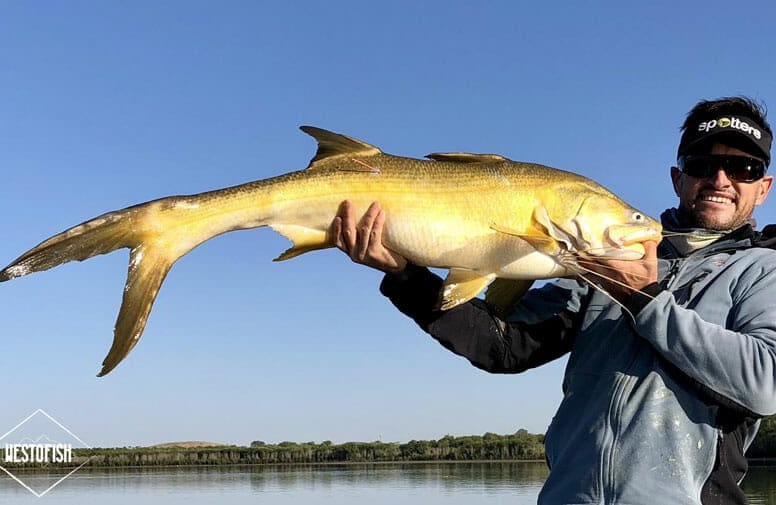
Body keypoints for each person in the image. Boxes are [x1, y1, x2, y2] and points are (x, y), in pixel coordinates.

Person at [331, 96, 776, 505]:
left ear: (764, 187)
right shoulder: (591, 262)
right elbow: (503, 346)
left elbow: (763, 383)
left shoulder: (764, 270)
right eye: (702, 164)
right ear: (678, 178)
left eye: (744, 169)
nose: (720, 180)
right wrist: (406, 276)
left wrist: (643, 297)